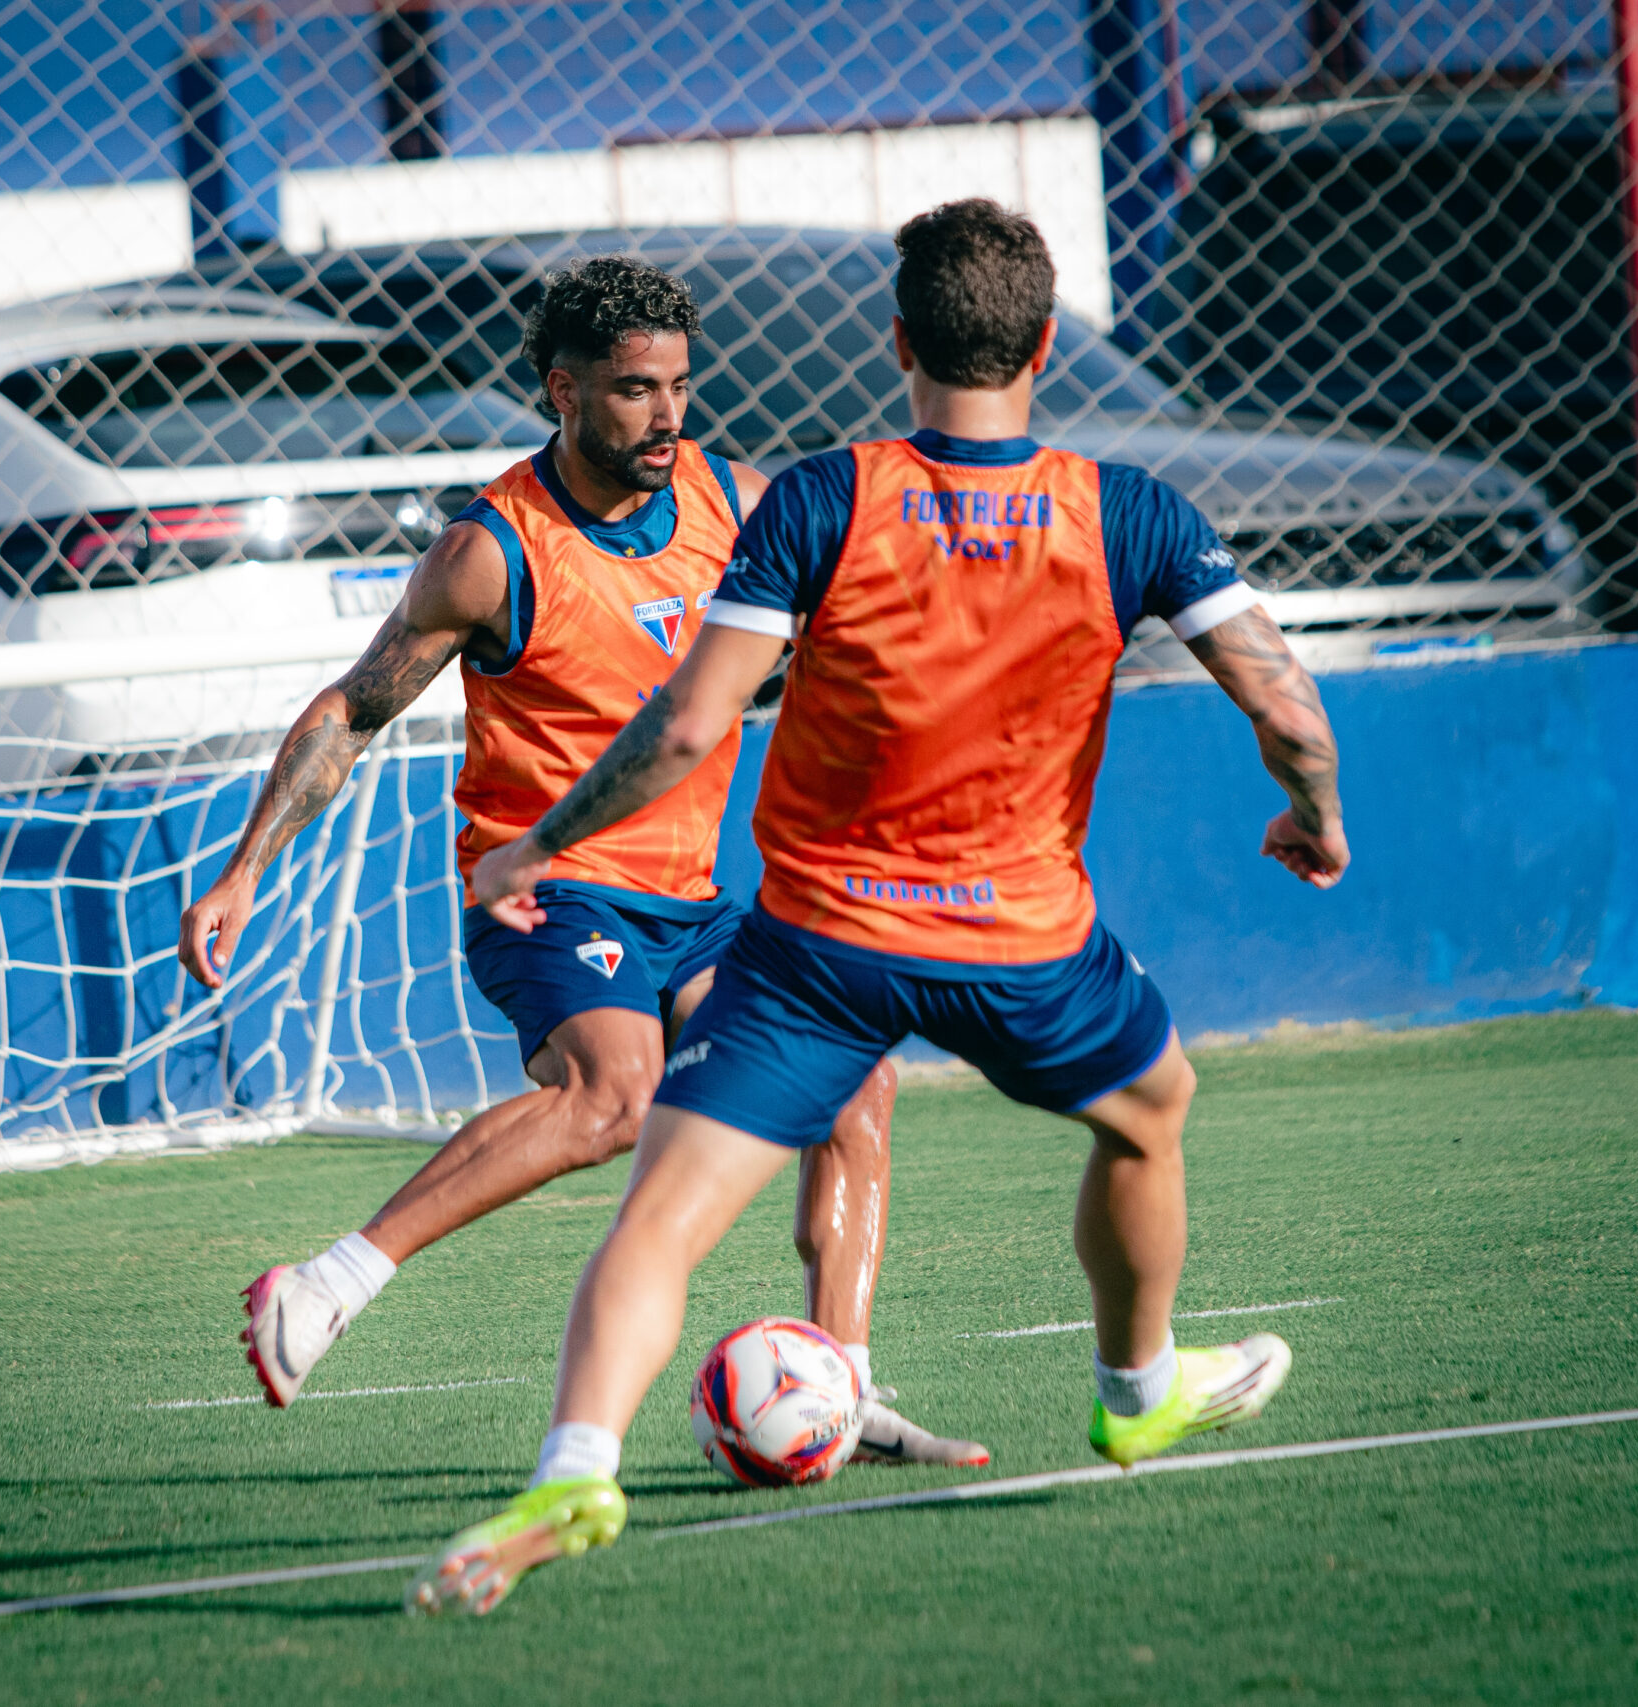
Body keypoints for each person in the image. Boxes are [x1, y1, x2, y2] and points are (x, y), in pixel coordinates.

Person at [413, 200, 1351, 1616]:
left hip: (820, 948)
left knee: (661, 1214)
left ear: (899, 340)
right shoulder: (1137, 511)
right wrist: (1314, 810)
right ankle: (1139, 1388)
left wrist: (536, 841)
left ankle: (576, 1464)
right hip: (1025, 938)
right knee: (1151, 1108)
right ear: (1044, 343)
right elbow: (1289, 707)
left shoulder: (819, 497)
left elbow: (681, 732)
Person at [178, 254, 984, 1468]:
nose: (665, 417)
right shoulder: (491, 553)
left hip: (698, 904)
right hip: (545, 892)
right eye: (630, 391)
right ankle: (328, 1285)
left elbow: (849, 649)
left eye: (677, 386)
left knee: (850, 1080)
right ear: (561, 389)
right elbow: (351, 711)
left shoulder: (740, 505)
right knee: (616, 1093)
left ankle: (843, 1382)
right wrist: (245, 871)